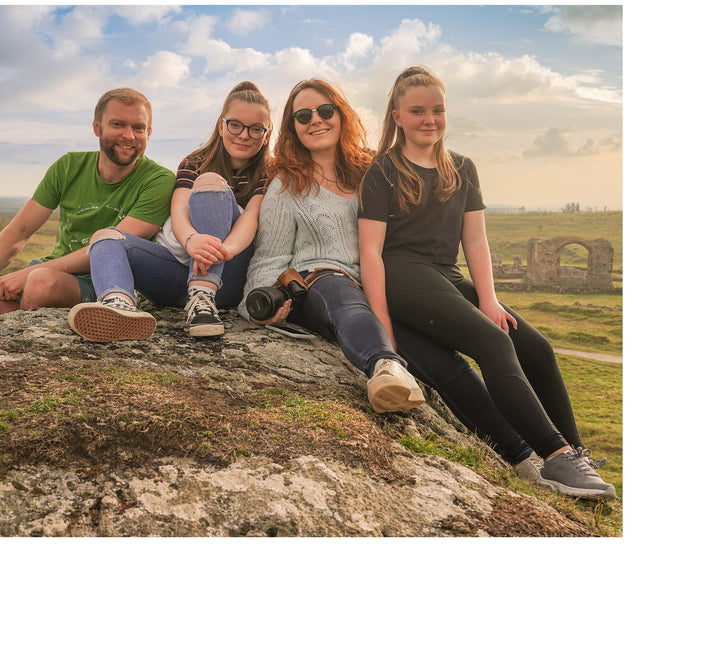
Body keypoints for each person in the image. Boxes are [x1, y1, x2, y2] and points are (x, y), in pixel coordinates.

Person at [358, 66, 616, 499]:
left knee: (533, 345)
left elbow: (475, 239)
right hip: (402, 274)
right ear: (397, 116)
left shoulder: (462, 167)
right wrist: (382, 327)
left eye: (437, 110)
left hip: (446, 273)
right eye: (417, 111)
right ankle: (555, 460)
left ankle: (576, 451)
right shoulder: (383, 171)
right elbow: (370, 252)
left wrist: (490, 300)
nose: (429, 119)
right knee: (492, 344)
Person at [238, 78, 425, 414]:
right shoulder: (287, 183)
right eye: (303, 116)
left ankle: (524, 450)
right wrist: (262, 303)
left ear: (342, 115)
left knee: (449, 358)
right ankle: (385, 368)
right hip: (319, 283)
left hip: (377, 286)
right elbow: (269, 258)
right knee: (342, 295)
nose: (316, 120)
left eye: (325, 110)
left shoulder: (371, 171)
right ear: (293, 128)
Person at [67, 81, 273, 341]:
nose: (244, 135)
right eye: (235, 125)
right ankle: (118, 306)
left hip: (224, 279)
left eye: (256, 129)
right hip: (172, 275)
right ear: (221, 125)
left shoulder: (268, 171)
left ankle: (202, 297)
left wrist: (222, 251)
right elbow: (178, 210)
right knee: (105, 237)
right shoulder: (194, 162)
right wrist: (191, 239)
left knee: (210, 183)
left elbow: (251, 219)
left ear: (267, 134)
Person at [0, 88, 175, 331]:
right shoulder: (68, 167)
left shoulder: (159, 180)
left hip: (110, 281)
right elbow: (19, 230)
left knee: (40, 284)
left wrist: (32, 274)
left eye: (139, 128)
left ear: (149, 132)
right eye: (118, 124)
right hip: (51, 270)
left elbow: (111, 248)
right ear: (97, 128)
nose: (129, 135)